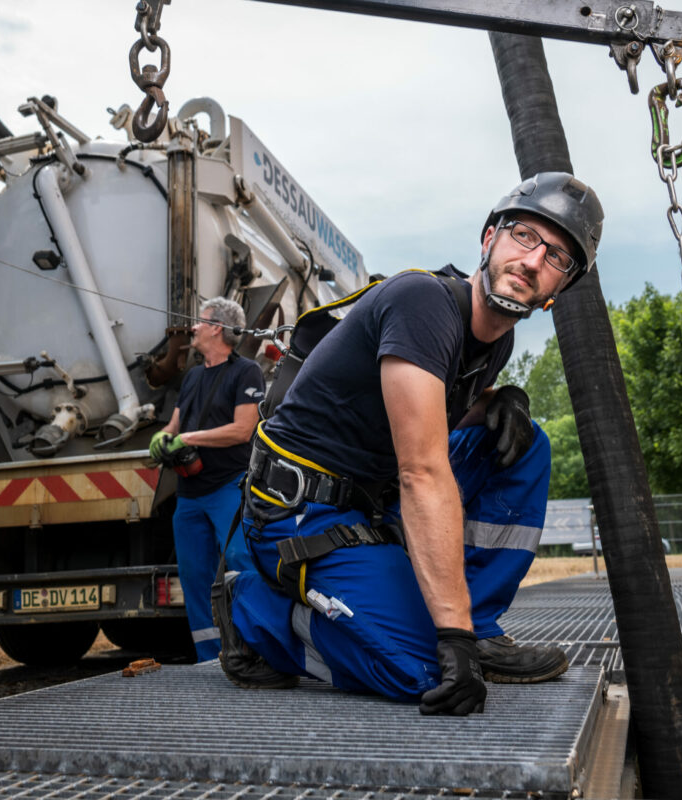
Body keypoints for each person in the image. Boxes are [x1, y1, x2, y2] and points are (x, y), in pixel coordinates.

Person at [211, 172, 604, 714]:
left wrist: (495, 403)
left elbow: (426, 411)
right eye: (524, 236)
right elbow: (423, 470)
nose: (534, 261)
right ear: (489, 240)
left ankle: (477, 623)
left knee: (523, 442)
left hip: (374, 497)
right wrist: (451, 641)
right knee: (419, 669)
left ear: (558, 292)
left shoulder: (497, 340)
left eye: (558, 258)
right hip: (302, 513)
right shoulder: (422, 303)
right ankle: (259, 615)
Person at [150, 298, 265, 662]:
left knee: (241, 561)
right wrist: (165, 438)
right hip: (189, 496)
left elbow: (243, 430)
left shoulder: (247, 372)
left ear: (217, 328)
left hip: (228, 487)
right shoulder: (193, 376)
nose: (194, 328)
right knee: (194, 576)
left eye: (199, 323)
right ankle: (208, 657)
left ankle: (257, 648)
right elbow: (177, 422)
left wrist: (187, 439)